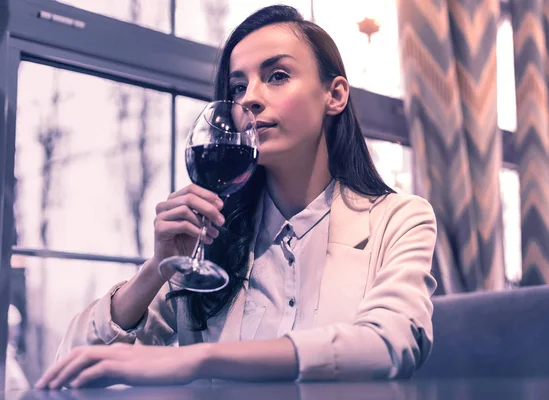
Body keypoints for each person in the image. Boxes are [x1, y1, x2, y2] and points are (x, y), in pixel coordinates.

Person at [36, 5, 437, 389]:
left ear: (334, 95)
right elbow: (70, 365)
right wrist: (157, 268)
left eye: (277, 75)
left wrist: (201, 359)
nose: (249, 99)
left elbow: (390, 343)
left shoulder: (400, 218)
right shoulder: (212, 235)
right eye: (238, 86)